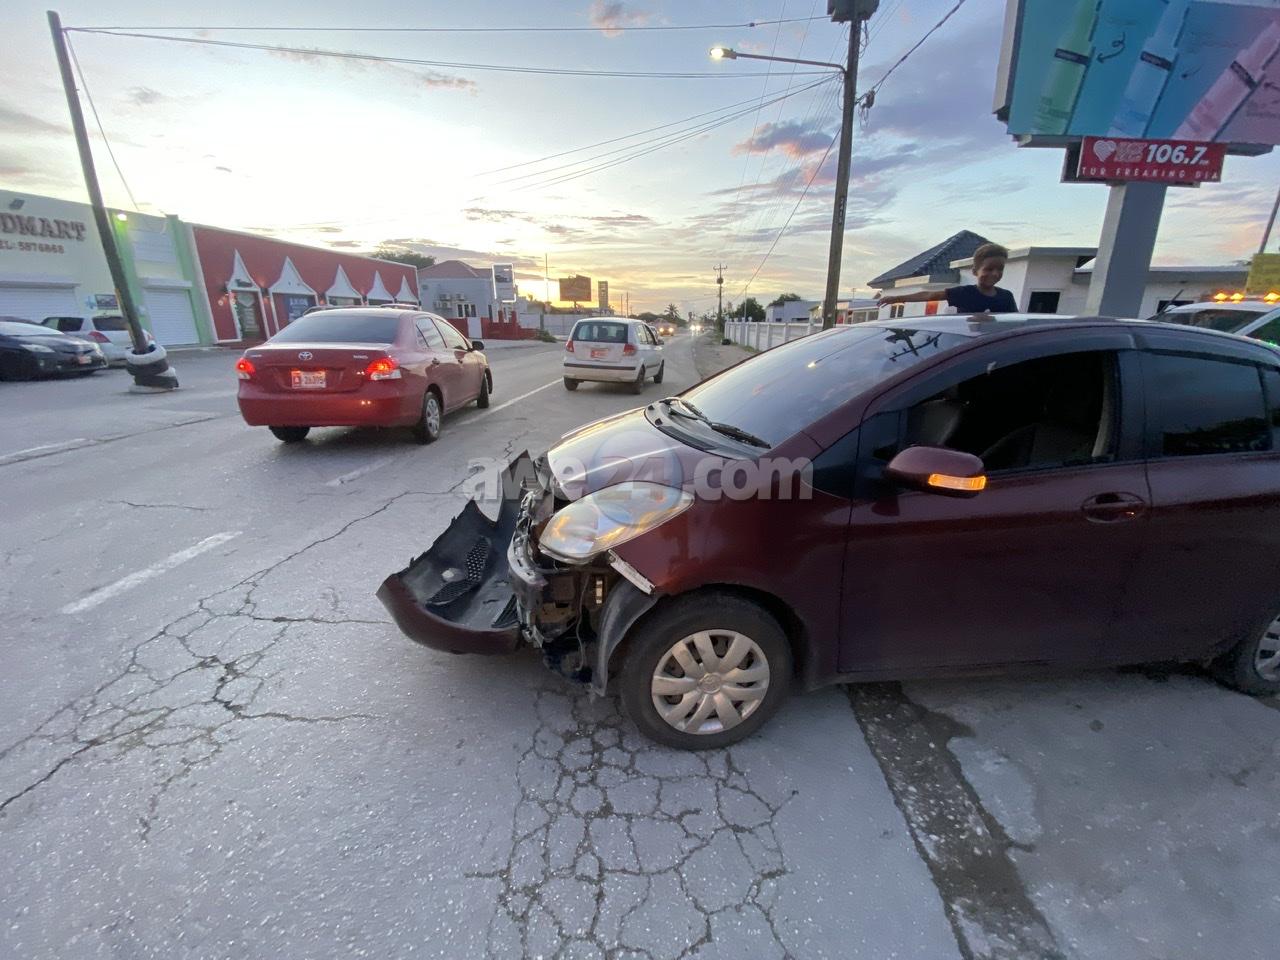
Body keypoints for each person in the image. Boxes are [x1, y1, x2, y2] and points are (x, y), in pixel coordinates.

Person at [878, 243, 1018, 314]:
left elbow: (1015, 323)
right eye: (989, 269)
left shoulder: (1006, 297)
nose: (995, 274)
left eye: (1000, 269)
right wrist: (896, 298)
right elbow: (930, 295)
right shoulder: (965, 293)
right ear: (975, 271)